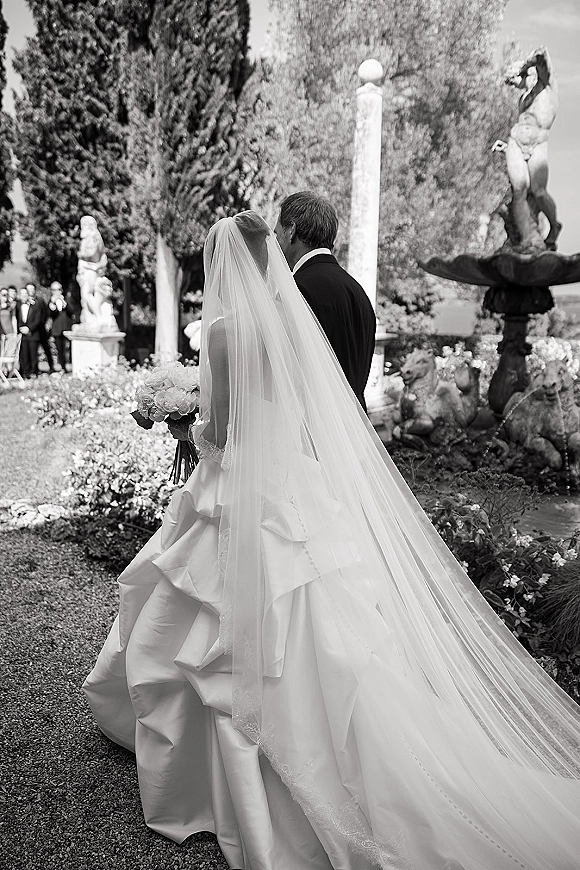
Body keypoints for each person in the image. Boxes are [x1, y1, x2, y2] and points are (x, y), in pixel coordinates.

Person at [84, 211, 580, 870]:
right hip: (293, 481)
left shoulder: (227, 330)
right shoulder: (289, 319)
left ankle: (228, 763)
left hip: (239, 489)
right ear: (268, 255)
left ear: (222, 262)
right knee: (308, 619)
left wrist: (182, 430)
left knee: (202, 621)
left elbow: (224, 431)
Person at [274, 191, 376, 410]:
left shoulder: (294, 291)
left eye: (277, 234)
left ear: (291, 230)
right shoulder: (358, 293)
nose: (276, 243)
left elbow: (284, 379)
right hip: (358, 433)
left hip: (313, 435)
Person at [492, 46, 561, 250]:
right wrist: (507, 147)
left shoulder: (547, 85)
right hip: (516, 143)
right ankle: (528, 239)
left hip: (539, 144)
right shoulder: (523, 100)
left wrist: (522, 65)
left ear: (526, 73)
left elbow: (542, 54)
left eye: (515, 81)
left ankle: (554, 226)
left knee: (539, 192)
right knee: (519, 191)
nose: (515, 86)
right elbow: (524, 126)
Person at [48, 281, 77, 371]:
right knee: (60, 349)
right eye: (55, 290)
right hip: (57, 328)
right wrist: (52, 304)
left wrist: (64, 302)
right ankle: (63, 367)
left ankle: (74, 365)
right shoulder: (50, 301)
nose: (57, 292)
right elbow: (49, 314)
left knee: (72, 348)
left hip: (67, 327)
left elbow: (72, 311)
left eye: (59, 289)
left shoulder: (68, 299)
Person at [26, 283, 54, 373]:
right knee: (32, 351)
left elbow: (45, 313)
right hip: (31, 331)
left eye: (32, 289)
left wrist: (44, 324)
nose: (31, 291)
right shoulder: (24, 301)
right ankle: (33, 369)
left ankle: (52, 367)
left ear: (35, 290)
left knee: (46, 348)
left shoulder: (40, 301)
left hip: (41, 329)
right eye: (28, 289)